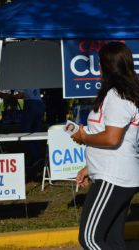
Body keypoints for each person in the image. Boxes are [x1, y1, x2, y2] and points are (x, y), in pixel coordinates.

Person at [71, 42, 139, 249]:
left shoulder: (117, 96)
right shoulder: (121, 93)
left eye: (100, 64)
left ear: (106, 66)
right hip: (114, 174)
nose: (98, 68)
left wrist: (83, 137)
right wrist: (88, 168)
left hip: (114, 177)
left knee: (90, 239)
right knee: (112, 240)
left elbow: (112, 138)